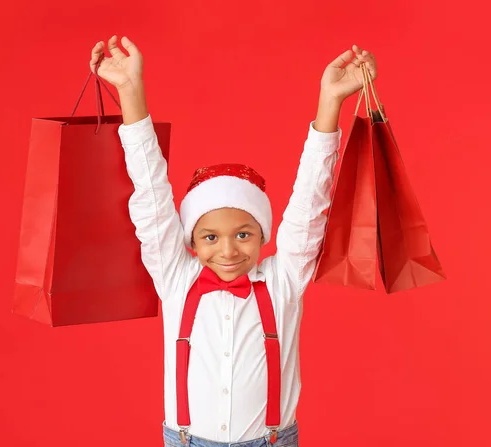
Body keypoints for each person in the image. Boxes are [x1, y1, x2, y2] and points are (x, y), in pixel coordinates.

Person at [89, 35, 377, 447]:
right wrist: (130, 92)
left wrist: (330, 103)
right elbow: (150, 192)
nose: (227, 251)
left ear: (263, 233)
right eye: (210, 237)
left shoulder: (284, 281)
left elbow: (311, 198)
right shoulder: (176, 278)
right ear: (190, 239)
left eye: (243, 234)